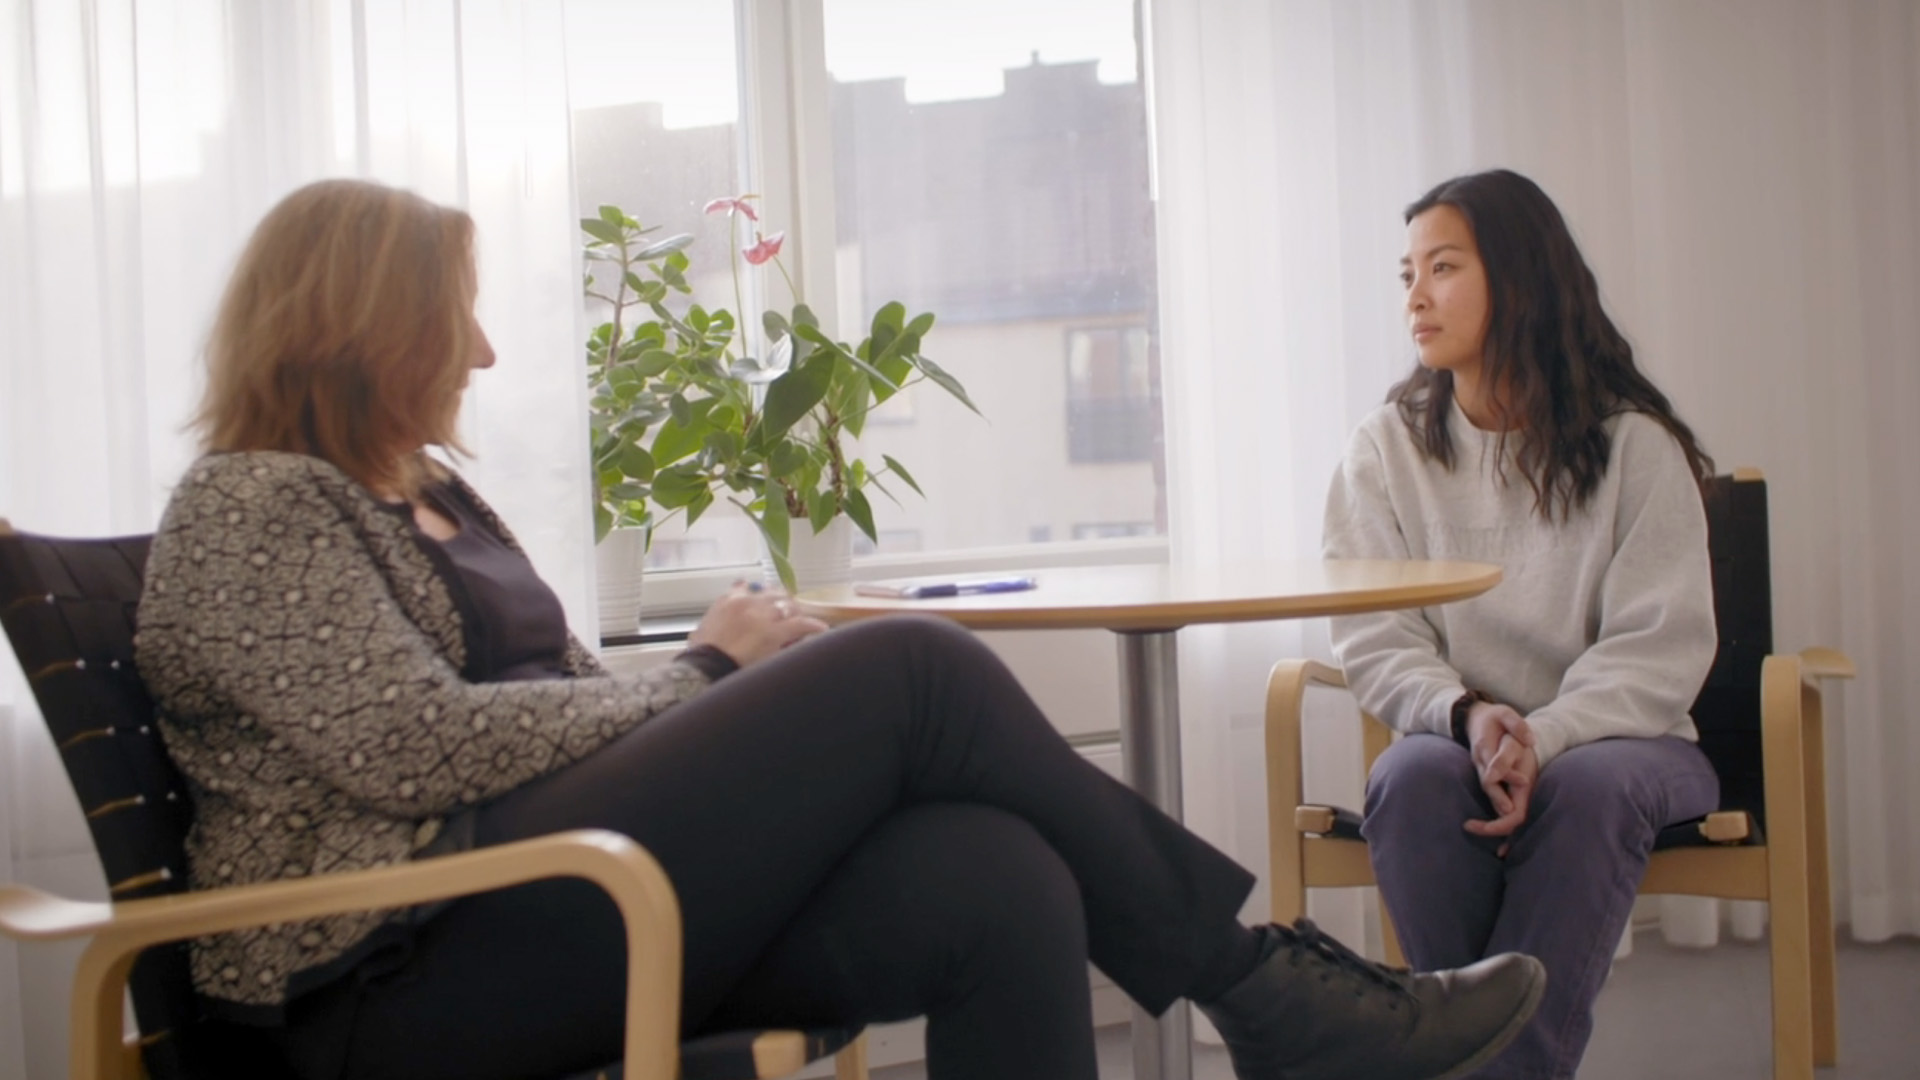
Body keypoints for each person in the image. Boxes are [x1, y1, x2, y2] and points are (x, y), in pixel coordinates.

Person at [138, 177, 1545, 1080]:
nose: (485, 351)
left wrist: (725, 694)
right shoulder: (250, 505)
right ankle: (1265, 993)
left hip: (549, 896)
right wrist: (702, 672)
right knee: (915, 668)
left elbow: (557, 695)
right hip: (386, 977)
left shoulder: (435, 498)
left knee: (997, 878)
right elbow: (410, 747)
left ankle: (1276, 1002)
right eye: (456, 318)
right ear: (363, 330)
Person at [1323, 168, 1722, 1080]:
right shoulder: (1384, 450)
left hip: (1625, 744)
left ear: (1520, 277)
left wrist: (1545, 736)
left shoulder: (1635, 447)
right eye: (1408, 274)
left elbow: (1657, 650)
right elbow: (1376, 636)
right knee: (1407, 777)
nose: (1415, 297)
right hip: (1462, 739)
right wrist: (1469, 717)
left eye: (1444, 268)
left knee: (1589, 787)